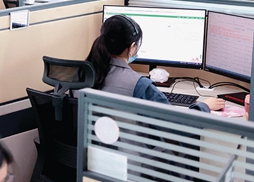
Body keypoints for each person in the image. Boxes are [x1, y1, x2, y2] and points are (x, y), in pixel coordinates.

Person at [86, 15, 223, 112]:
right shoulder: (140, 85)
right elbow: (179, 126)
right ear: (132, 47)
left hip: (91, 144)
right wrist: (204, 106)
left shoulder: (83, 73)